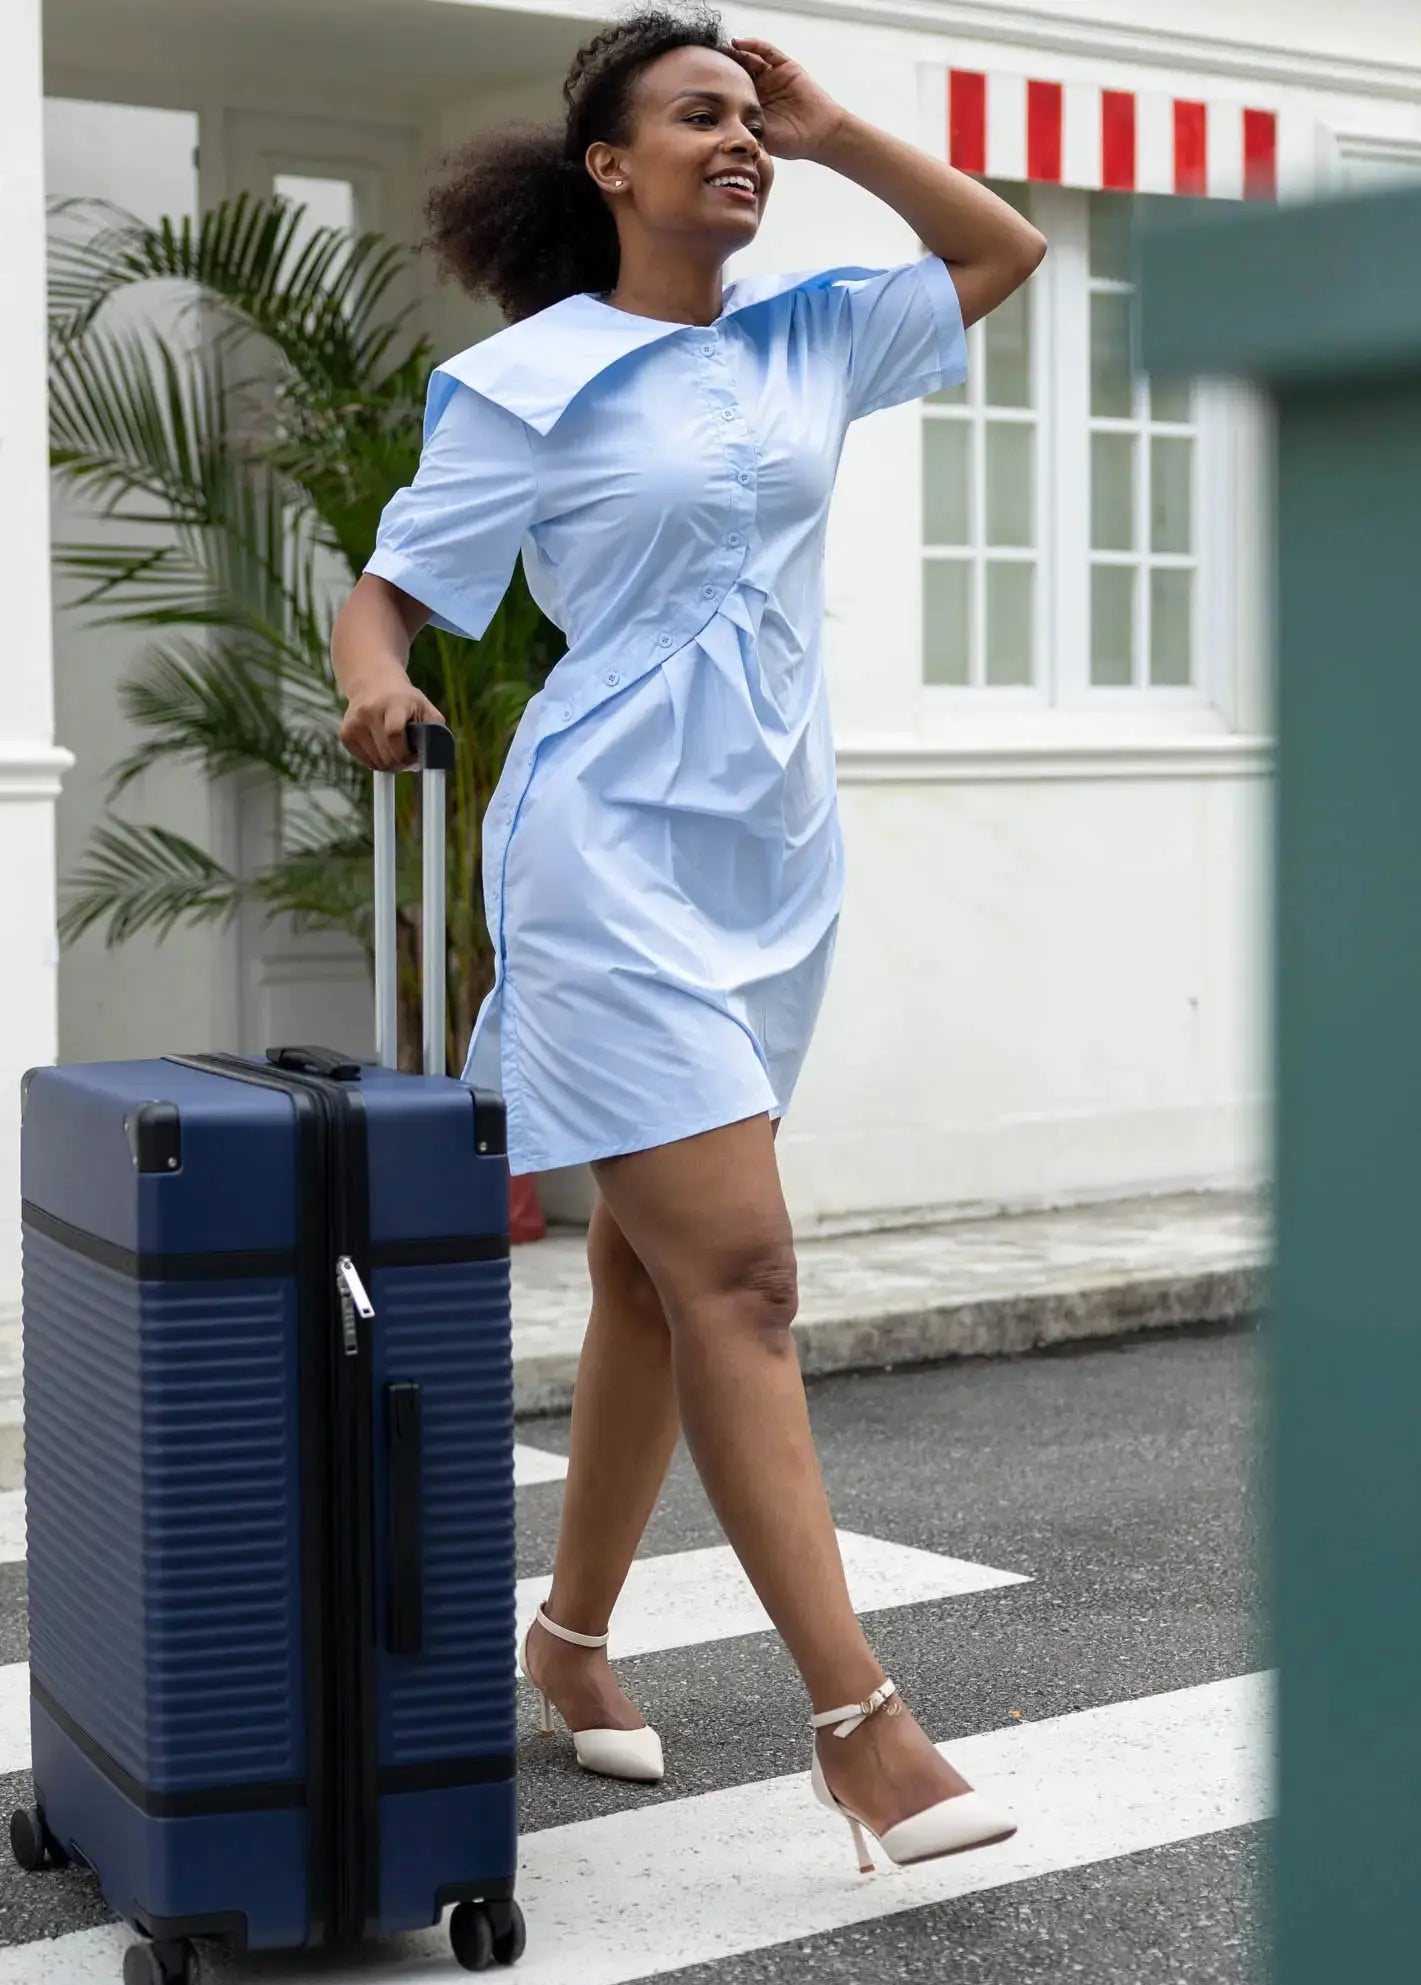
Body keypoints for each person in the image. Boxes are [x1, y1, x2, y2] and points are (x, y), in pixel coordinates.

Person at [332, 5, 1044, 1871]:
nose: (737, 138)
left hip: (771, 856)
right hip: (603, 851)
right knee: (743, 1280)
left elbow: (1002, 250)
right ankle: (861, 1727)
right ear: (608, 167)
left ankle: (566, 1642)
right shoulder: (528, 381)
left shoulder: (811, 336)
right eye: (697, 116)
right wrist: (376, 682)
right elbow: (390, 595)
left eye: (749, 116)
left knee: (652, 1281)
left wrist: (835, 129)